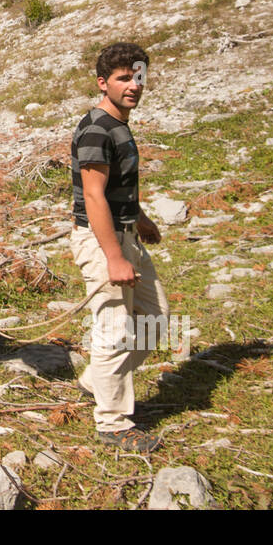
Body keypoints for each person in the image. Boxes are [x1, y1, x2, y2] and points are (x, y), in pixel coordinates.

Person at [68, 42, 168, 453]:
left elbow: (114, 188)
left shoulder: (119, 125)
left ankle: (97, 381)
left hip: (124, 232)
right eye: (124, 78)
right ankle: (113, 424)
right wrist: (113, 256)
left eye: (138, 77)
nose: (133, 86)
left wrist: (140, 220)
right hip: (101, 239)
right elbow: (93, 197)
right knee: (113, 333)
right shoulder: (96, 129)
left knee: (156, 319)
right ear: (102, 83)